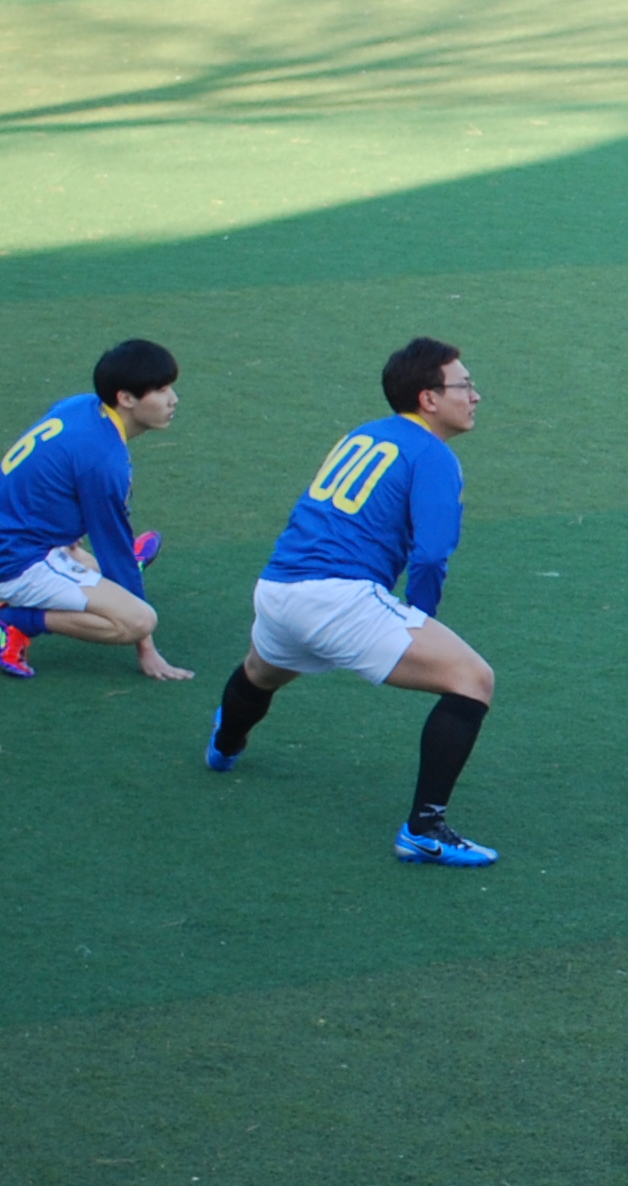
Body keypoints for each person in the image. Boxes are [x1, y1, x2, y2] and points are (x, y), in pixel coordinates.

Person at [205, 337, 500, 867]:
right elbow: (431, 555)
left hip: (278, 587)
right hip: (338, 598)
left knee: (263, 671)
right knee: (473, 680)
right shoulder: (433, 455)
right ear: (429, 398)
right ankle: (424, 830)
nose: (475, 395)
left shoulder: (365, 434)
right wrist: (419, 618)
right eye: (465, 385)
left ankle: (225, 746)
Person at [0, 338, 192, 685]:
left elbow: (51, 474)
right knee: (139, 620)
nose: (173, 399)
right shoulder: (103, 461)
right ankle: (13, 621)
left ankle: (88, 567)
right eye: (161, 390)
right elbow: (111, 543)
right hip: (13, 561)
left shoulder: (82, 405)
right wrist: (146, 647)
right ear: (125, 398)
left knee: (106, 566)